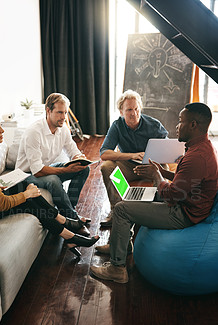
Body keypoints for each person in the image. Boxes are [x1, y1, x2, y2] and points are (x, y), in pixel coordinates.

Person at [90, 102, 218, 283]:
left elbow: (172, 195)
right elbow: (187, 180)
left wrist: (156, 175)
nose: (176, 125)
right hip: (184, 201)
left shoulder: (197, 156)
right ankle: (124, 246)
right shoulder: (200, 147)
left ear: (193, 125)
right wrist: (163, 172)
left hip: (184, 212)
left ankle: (117, 268)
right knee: (132, 197)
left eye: (180, 121)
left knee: (121, 209)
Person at [0, 110, 99, 258]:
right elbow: (0, 204)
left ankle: (64, 222)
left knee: (21, 185)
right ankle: (69, 234)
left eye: (1, 125)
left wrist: (4, 187)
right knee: (28, 202)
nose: (2, 130)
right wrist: (26, 195)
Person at [15, 93, 91, 235]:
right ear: (48, 111)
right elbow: (37, 171)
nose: (64, 117)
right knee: (53, 179)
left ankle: (69, 212)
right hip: (26, 175)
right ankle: (73, 219)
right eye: (60, 112)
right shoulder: (34, 132)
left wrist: (79, 158)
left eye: (66, 112)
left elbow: (73, 150)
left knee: (84, 170)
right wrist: (66, 170)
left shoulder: (63, 129)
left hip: (44, 168)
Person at [99, 89, 168, 229]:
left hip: (152, 165)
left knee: (163, 173)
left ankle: (156, 212)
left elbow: (167, 147)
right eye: (129, 110)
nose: (134, 113)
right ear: (121, 112)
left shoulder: (154, 124)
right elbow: (104, 153)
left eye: (136, 109)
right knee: (106, 167)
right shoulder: (117, 125)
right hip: (129, 165)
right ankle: (117, 209)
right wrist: (132, 155)